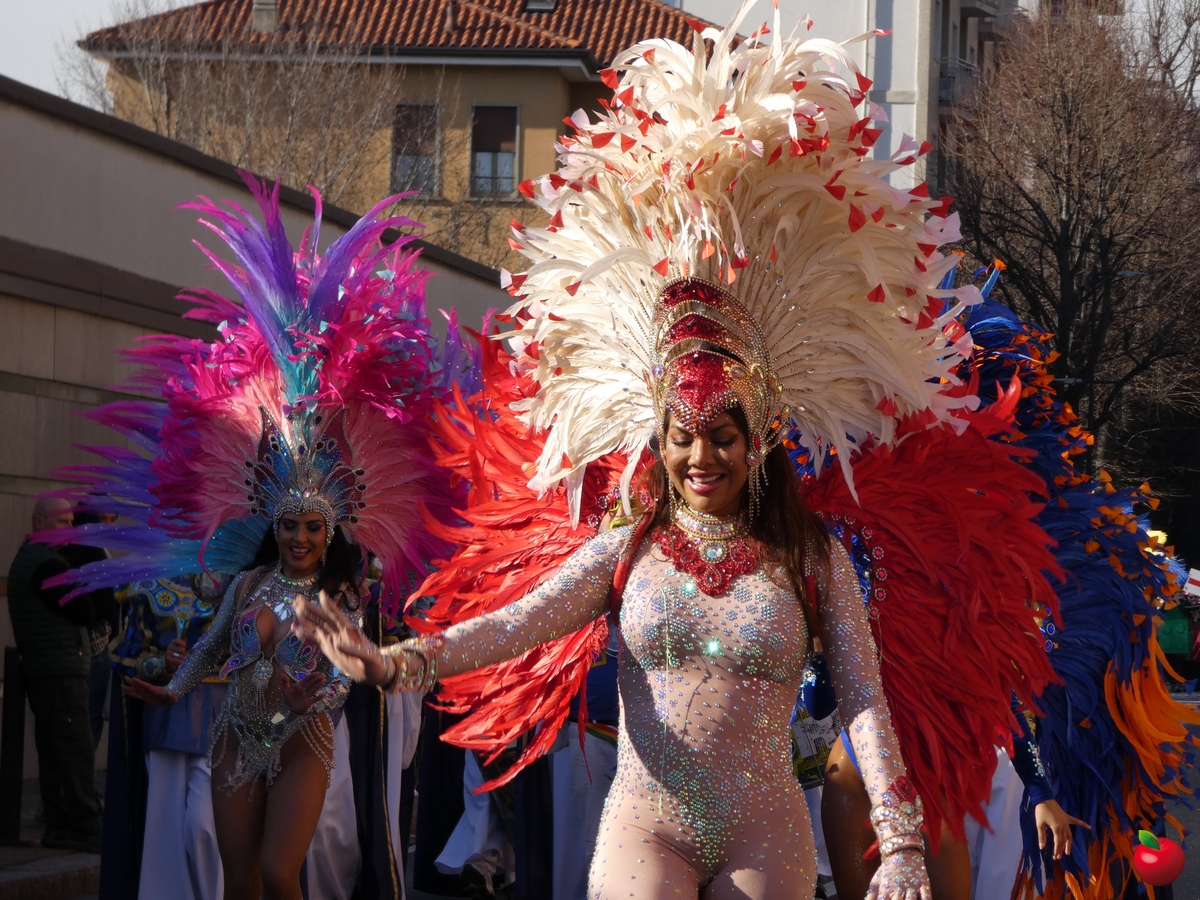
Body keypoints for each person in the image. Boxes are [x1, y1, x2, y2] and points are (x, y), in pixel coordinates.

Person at [36, 175, 471, 900]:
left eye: (311, 527)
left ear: (330, 530)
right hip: (236, 735)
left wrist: (312, 694)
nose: (299, 538)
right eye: (289, 525)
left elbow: (344, 672)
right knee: (237, 878)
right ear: (272, 525)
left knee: (280, 871)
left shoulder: (341, 596)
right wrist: (170, 690)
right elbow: (210, 649)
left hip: (306, 741)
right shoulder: (246, 584)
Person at [6, 497, 104, 852]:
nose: (70, 529)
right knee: (75, 749)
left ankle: (60, 825)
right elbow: (84, 610)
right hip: (59, 670)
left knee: (54, 751)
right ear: (39, 523)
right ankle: (85, 826)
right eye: (63, 522)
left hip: (48, 668)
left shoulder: (36, 559)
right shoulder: (45, 563)